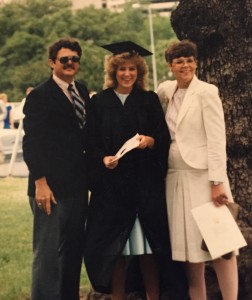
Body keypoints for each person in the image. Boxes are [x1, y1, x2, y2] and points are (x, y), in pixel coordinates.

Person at [84, 41, 187, 300]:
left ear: (139, 72)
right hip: (113, 190)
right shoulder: (99, 103)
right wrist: (103, 158)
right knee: (115, 251)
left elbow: (162, 139)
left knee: (148, 249)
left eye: (132, 69)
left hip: (144, 188)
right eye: (122, 69)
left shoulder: (149, 100)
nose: (127, 74)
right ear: (113, 72)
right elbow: (90, 142)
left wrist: (150, 141)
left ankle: (153, 296)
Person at [157, 39, 238, 300]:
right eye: (179, 61)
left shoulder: (206, 92)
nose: (186, 65)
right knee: (190, 251)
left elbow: (217, 140)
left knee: (221, 245)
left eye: (190, 60)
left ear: (196, 63)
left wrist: (216, 182)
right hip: (176, 179)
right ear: (170, 65)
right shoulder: (165, 91)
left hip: (205, 179)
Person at [22, 37, 90, 300]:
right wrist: (40, 182)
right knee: (48, 255)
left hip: (77, 186)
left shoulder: (81, 90)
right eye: (64, 59)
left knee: (73, 251)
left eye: (74, 59)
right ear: (52, 63)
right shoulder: (40, 95)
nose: (70, 63)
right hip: (49, 189)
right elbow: (32, 143)